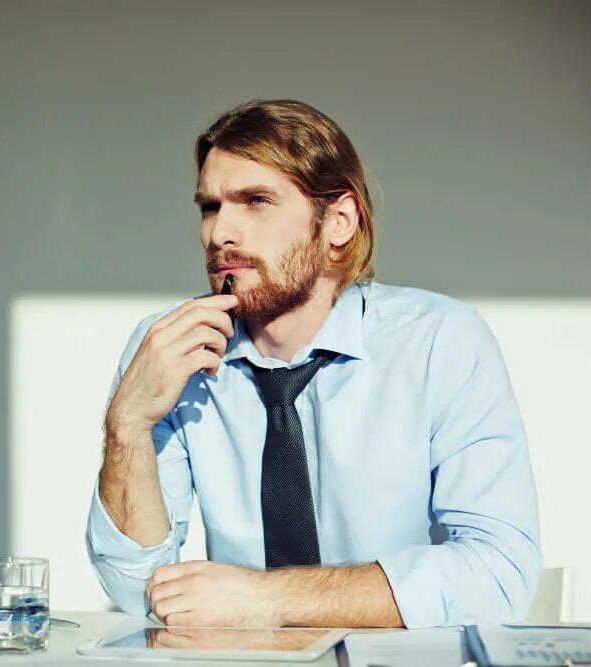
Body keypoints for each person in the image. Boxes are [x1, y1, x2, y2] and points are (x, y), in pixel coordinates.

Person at [86, 99, 542, 629]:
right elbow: (135, 586)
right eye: (210, 208)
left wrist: (267, 599)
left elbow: (498, 575)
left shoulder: (438, 341)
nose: (219, 234)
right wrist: (128, 425)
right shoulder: (170, 349)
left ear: (338, 222)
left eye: (255, 201)